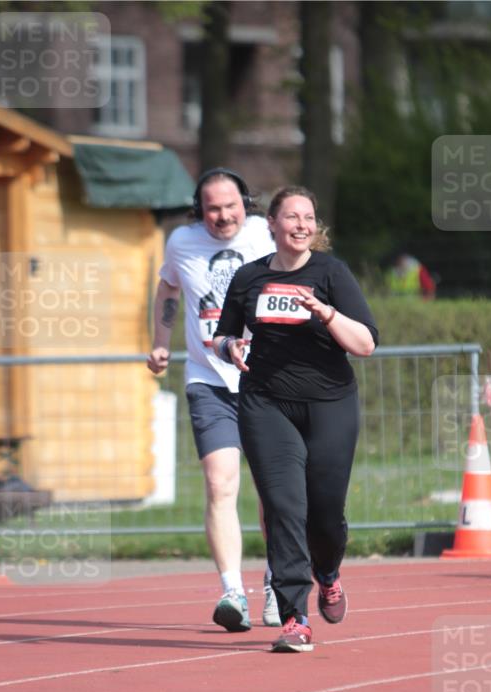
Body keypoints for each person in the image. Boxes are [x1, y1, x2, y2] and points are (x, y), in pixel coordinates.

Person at [212, 186, 378, 652]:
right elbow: (223, 336)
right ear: (272, 225)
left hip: (329, 405)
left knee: (324, 514)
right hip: (266, 404)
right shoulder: (248, 278)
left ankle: (327, 573)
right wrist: (231, 347)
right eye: (292, 217)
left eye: (308, 217)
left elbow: (365, 343)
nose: (302, 225)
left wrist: (326, 313)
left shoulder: (331, 272)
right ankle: (294, 618)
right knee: (285, 508)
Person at [147, 168, 280, 632]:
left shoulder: (267, 233)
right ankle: (232, 592)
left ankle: (276, 584)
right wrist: (161, 340)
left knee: (272, 492)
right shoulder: (182, 243)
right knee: (220, 485)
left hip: (266, 380)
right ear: (198, 210)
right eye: (213, 209)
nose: (223, 216)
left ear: (246, 202)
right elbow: (168, 287)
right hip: (209, 380)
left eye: (230, 206)